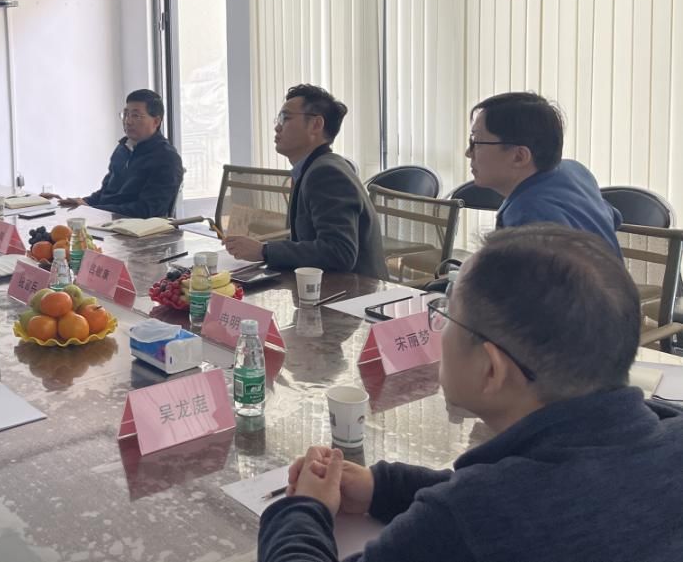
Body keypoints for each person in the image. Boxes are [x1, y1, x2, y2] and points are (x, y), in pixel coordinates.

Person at [259, 225, 683, 562]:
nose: (439, 328)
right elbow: (549, 484)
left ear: (491, 369)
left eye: (447, 315)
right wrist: (381, 487)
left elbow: (492, 508)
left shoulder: (474, 516)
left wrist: (304, 509)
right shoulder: (667, 434)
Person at [224, 84, 385, 279]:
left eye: (285, 118)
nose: (277, 127)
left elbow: (339, 252)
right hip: (325, 285)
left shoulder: (326, 173)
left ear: (316, 125)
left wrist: (264, 251)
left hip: (354, 290)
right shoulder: (315, 167)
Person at [467, 91, 621, 254]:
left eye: (476, 142)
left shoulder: (526, 217)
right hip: (609, 270)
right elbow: (613, 217)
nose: (468, 153)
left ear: (519, 157)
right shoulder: (576, 171)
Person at [47, 89, 185, 218]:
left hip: (136, 230)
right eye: (126, 114)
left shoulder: (167, 158)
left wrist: (94, 210)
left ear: (156, 121)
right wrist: (82, 202)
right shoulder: (123, 149)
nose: (128, 121)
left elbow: (147, 210)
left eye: (136, 115)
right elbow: (105, 193)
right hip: (108, 221)